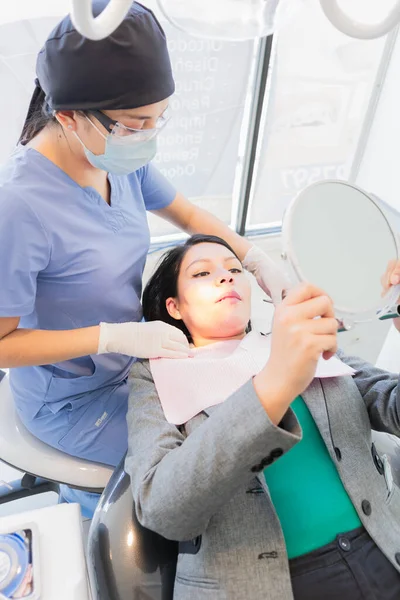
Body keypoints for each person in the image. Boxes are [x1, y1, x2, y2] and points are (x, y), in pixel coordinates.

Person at [0, 1, 287, 517]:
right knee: (196, 465)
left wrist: (255, 256)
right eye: (137, 123)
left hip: (132, 364)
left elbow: (188, 213)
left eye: (159, 118)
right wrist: (112, 336)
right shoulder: (19, 208)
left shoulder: (114, 154)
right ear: (68, 117)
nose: (149, 135)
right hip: (71, 400)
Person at [125, 234, 400, 600]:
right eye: (203, 273)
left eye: (235, 269)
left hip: (383, 550)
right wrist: (273, 386)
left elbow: (392, 406)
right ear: (175, 307)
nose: (226, 277)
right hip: (265, 584)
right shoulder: (155, 376)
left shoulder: (295, 340)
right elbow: (162, 507)